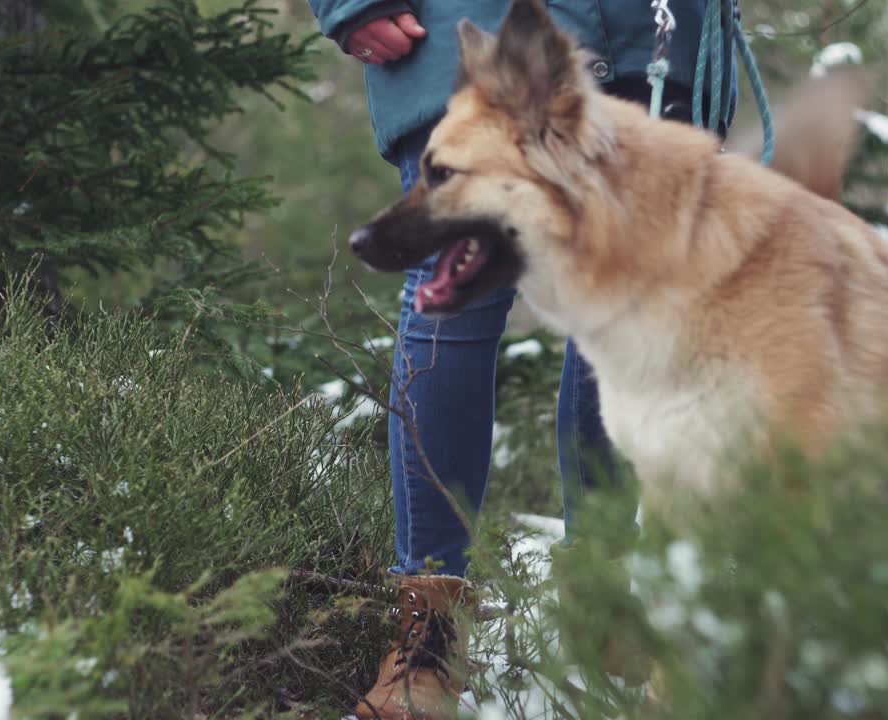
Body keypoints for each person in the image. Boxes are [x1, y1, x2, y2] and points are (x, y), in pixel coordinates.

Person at [306, 1, 735, 717]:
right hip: (470, 17)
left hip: (650, 26)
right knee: (454, 266)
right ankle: (429, 632)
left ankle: (601, 597)